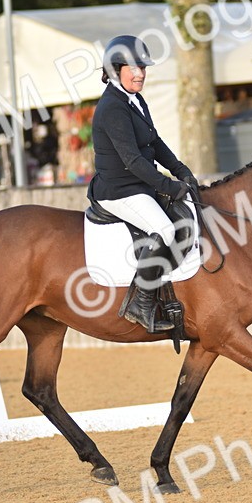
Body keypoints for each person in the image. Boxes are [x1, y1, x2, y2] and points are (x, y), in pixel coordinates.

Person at [87, 35, 198, 333]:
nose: (140, 74)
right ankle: (141, 303)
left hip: (139, 185)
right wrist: (170, 186)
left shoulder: (134, 100)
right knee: (164, 229)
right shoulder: (112, 107)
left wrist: (181, 170)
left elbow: (155, 142)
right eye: (133, 68)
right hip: (119, 189)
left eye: (143, 68)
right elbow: (133, 161)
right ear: (114, 70)